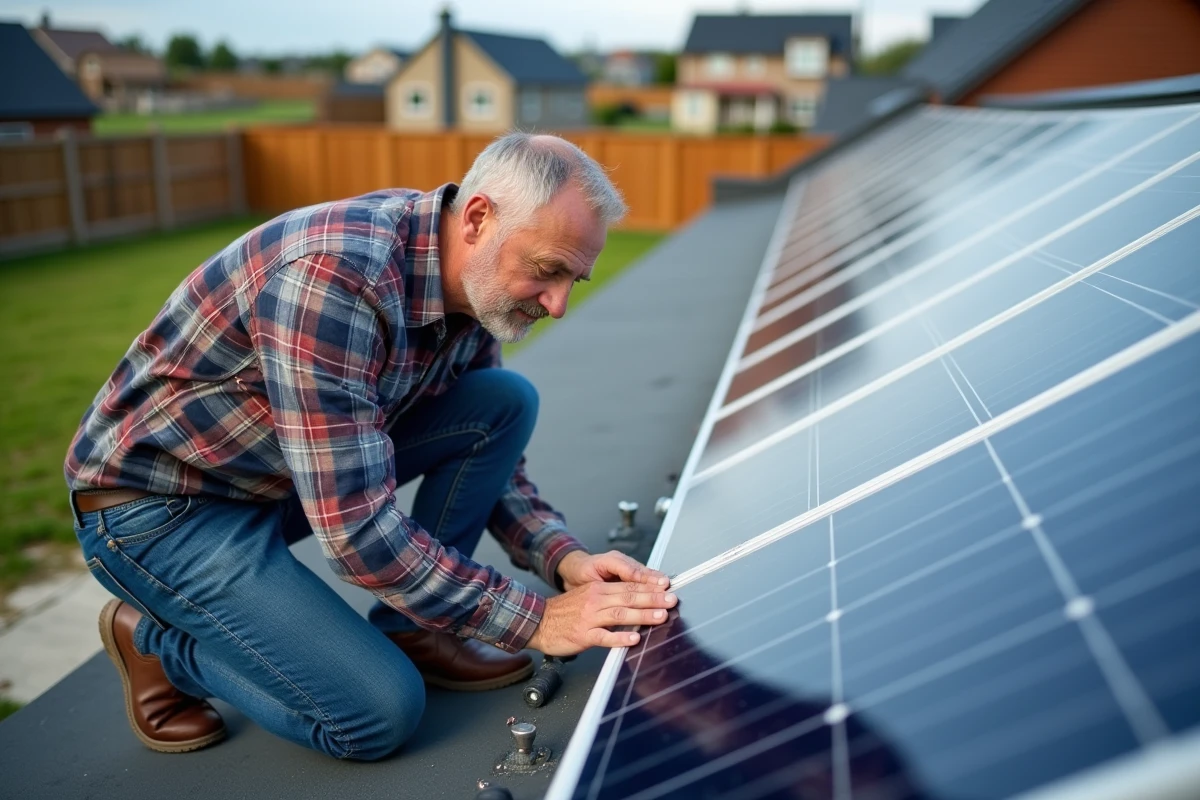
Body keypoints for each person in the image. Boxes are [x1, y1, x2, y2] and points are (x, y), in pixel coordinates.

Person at [64, 132, 678, 760]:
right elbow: (357, 533)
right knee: (377, 714)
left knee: (503, 399)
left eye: (574, 279)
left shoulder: (470, 286)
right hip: (161, 509)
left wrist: (562, 558)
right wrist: (536, 620)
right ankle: (157, 646)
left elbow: (488, 455)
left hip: (275, 477)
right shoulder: (332, 278)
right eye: (548, 271)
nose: (559, 304)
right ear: (477, 218)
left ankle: (418, 630)